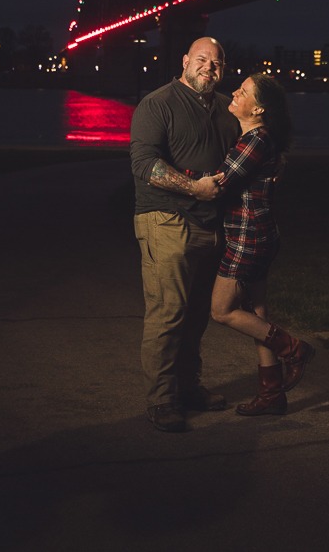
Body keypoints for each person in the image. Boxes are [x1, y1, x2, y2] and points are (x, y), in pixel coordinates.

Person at [129, 36, 240, 433]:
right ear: (184, 60)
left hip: (212, 224)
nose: (209, 67)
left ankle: (189, 386)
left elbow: (257, 139)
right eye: (201, 59)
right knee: (169, 312)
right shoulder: (157, 103)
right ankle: (162, 400)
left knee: (196, 315)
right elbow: (144, 164)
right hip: (166, 219)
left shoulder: (229, 108)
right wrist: (195, 188)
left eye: (217, 62)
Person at [196, 72, 314, 416]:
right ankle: (272, 395)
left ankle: (294, 349)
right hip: (258, 234)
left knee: (221, 310)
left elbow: (220, 183)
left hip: (248, 238)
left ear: (259, 108)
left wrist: (178, 176)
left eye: (243, 91)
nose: (234, 91)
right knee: (258, 313)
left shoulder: (255, 141)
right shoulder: (257, 138)